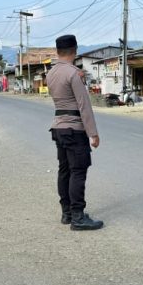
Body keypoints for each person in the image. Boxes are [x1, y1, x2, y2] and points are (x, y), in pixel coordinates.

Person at [47, 34, 103, 231]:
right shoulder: (74, 74)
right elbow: (83, 105)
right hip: (74, 128)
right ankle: (78, 217)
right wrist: (93, 133)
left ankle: (67, 213)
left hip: (58, 128)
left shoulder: (50, 73)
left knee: (65, 170)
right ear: (75, 49)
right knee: (78, 171)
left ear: (57, 51)